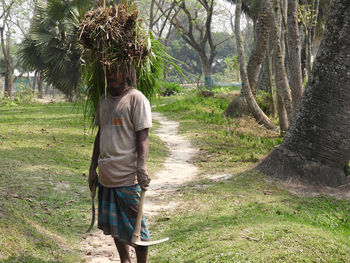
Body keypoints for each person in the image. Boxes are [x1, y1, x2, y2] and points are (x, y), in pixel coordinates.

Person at [88, 64, 152, 263]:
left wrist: (141, 167)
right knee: (115, 226)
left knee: (137, 227)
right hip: (107, 177)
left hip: (127, 176)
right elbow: (101, 135)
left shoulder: (136, 99)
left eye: (116, 70)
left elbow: (143, 136)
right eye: (107, 71)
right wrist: (92, 168)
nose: (111, 75)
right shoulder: (104, 100)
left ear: (126, 72)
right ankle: (125, 260)